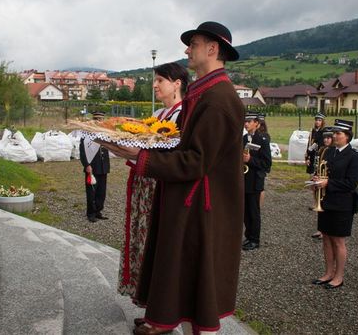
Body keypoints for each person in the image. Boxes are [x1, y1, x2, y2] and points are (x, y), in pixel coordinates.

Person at [101, 21, 244, 334]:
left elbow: (196, 162)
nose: (186, 50)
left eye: (193, 44)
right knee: (174, 261)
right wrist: (136, 148)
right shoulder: (204, 92)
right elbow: (183, 147)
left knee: (196, 271)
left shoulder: (219, 100)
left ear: (213, 48)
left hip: (203, 205)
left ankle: (188, 325)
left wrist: (140, 157)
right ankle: (163, 317)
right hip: (188, 198)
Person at [118, 62, 188, 301]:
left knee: (157, 244)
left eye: (160, 80)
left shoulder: (182, 115)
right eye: (154, 80)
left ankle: (160, 306)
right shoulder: (158, 115)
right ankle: (147, 301)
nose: (154, 85)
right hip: (143, 183)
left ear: (177, 83)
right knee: (142, 240)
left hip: (161, 185)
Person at [310, 119, 358, 289]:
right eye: (334, 133)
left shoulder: (354, 156)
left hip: (342, 204)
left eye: (338, 133)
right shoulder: (328, 152)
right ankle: (328, 273)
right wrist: (317, 180)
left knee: (338, 241)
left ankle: (339, 276)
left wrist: (328, 183)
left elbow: (351, 183)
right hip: (326, 201)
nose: (334, 136)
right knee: (326, 238)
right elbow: (323, 172)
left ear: (347, 136)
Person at [242, 112, 272, 251]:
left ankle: (255, 239)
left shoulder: (262, 139)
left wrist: (250, 160)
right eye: (245, 121)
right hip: (243, 180)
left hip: (255, 181)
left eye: (249, 121)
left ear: (256, 123)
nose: (246, 123)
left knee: (254, 211)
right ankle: (248, 236)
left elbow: (267, 164)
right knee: (245, 211)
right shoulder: (243, 138)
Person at [79, 111, 111, 223]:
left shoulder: (105, 133)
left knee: (101, 192)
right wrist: (86, 165)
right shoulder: (87, 134)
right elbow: (82, 151)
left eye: (101, 119)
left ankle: (98, 211)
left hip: (103, 167)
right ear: (93, 120)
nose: (99, 121)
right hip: (92, 167)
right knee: (91, 192)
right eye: (97, 119)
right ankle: (91, 213)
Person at [311, 127, 334, 239]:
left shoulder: (333, 151)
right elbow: (317, 165)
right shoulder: (321, 149)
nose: (326, 140)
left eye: (329, 138)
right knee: (319, 202)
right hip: (319, 178)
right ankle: (320, 229)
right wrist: (314, 177)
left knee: (326, 205)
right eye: (325, 138)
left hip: (327, 181)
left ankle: (326, 230)